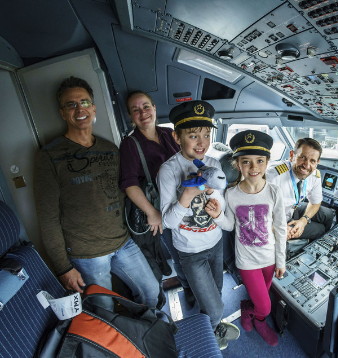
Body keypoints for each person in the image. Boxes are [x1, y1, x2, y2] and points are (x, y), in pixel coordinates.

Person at [34, 76, 159, 310]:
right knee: (103, 309)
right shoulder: (49, 155)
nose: (79, 109)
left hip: (123, 242)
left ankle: (146, 338)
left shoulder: (110, 149)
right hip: (86, 253)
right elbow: (47, 217)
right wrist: (63, 267)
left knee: (151, 292)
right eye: (71, 105)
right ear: (62, 113)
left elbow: (126, 189)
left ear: (93, 108)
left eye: (84, 102)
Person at [157, 100, 239, 350]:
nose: (202, 142)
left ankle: (211, 325)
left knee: (216, 291)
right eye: (193, 135)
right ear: (177, 137)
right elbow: (167, 222)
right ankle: (208, 338)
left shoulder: (214, 165)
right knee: (217, 307)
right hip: (190, 252)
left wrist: (214, 199)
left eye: (206, 134)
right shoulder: (168, 171)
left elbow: (220, 207)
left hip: (214, 244)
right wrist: (185, 197)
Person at [205, 130, 287, 346]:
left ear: (267, 162)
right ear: (238, 165)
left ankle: (250, 310)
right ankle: (258, 319)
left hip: (269, 258)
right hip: (247, 260)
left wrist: (281, 260)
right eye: (246, 162)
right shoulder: (231, 194)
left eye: (260, 161)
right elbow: (230, 225)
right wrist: (217, 217)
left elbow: (280, 228)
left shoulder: (274, 192)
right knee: (265, 306)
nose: (254, 168)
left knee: (263, 296)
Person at [118, 90, 194, 307]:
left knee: (189, 247)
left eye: (146, 107)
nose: (142, 113)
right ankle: (187, 286)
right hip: (162, 208)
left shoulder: (169, 133)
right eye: (136, 110)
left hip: (184, 200)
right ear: (130, 116)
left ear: (154, 108)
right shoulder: (130, 144)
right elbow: (129, 184)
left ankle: (191, 283)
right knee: (178, 251)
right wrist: (153, 213)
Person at [266, 138, 334, 252]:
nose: (306, 165)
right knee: (320, 229)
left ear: (317, 162)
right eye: (302, 157)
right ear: (292, 155)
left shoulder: (314, 175)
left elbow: (315, 203)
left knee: (328, 214)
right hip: (273, 220)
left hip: (291, 210)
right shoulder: (273, 176)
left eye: (312, 161)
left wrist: (303, 220)